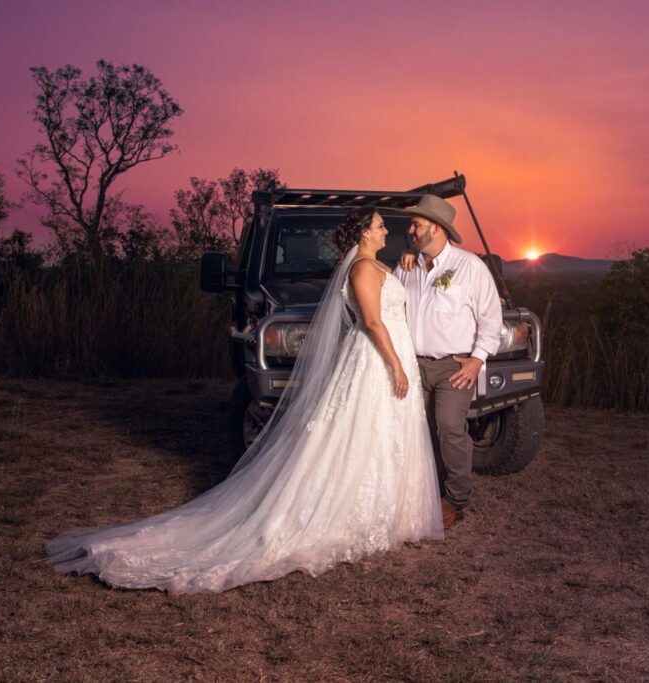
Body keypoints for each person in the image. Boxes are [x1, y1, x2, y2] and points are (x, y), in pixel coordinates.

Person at [45, 208, 444, 594]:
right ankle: (347, 514)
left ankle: (387, 513)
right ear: (363, 233)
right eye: (378, 226)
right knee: (358, 434)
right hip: (377, 359)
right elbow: (372, 322)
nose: (385, 231)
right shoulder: (360, 267)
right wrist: (395, 365)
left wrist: (408, 263)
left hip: (390, 355)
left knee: (382, 434)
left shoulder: (377, 265)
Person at [394, 194, 502, 530]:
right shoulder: (406, 267)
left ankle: (456, 499)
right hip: (412, 365)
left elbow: (491, 321)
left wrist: (476, 361)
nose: (410, 229)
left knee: (449, 426)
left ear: (437, 228)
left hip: (452, 368)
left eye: (417, 224)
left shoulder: (470, 268)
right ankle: (430, 492)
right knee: (421, 431)